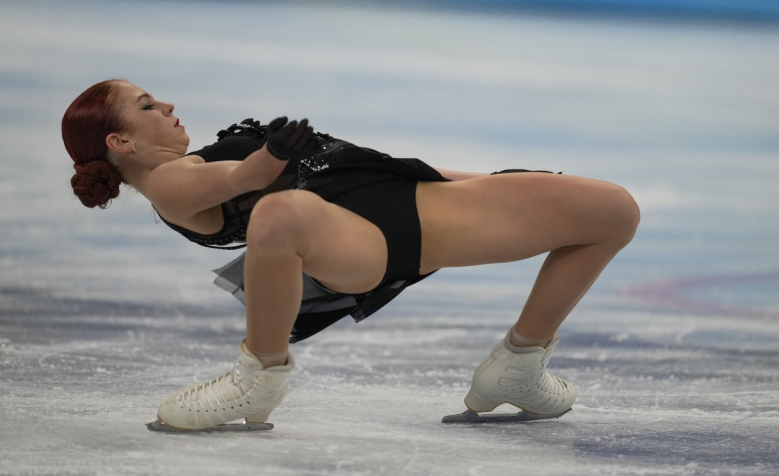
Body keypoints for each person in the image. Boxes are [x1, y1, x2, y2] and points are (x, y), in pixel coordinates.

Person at [62, 79, 639, 430]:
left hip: (414, 198)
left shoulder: (194, 158)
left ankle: (518, 364)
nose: (165, 103)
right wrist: (269, 153)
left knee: (613, 210)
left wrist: (490, 181)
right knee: (278, 213)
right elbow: (241, 178)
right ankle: (258, 376)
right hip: (364, 241)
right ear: (121, 143)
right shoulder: (169, 186)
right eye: (146, 105)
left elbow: (370, 165)